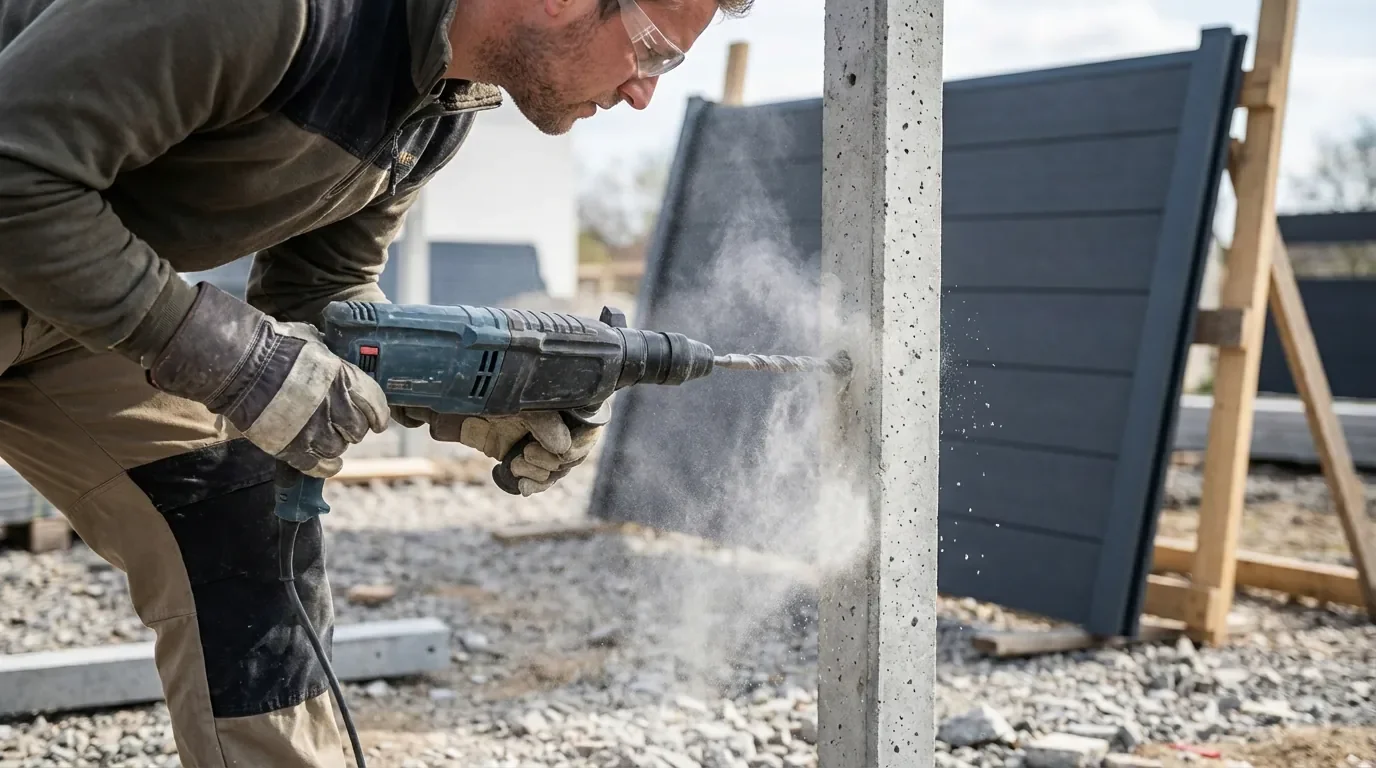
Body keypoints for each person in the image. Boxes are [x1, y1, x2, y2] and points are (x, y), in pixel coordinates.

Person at [0, 0, 751, 763]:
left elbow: (321, 285)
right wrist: (231, 359)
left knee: (238, 510)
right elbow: (14, 174)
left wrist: (466, 391)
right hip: (26, 229)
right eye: (654, 52)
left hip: (62, 293)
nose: (643, 92)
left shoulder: (439, 103)